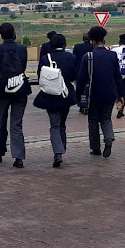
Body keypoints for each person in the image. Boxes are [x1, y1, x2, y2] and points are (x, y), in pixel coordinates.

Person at [76, 26, 124, 158]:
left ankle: (95, 147)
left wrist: (78, 95)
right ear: (104, 39)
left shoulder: (88, 57)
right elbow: (117, 77)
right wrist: (120, 95)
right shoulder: (112, 55)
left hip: (93, 94)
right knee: (106, 118)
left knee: (93, 120)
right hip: (110, 94)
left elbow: (81, 79)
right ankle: (108, 137)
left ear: (92, 41)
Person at [0, 22, 32, 168]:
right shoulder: (22, 49)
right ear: (14, 33)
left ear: (1, 35)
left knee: (1, 121)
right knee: (16, 123)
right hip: (20, 88)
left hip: (2, 89)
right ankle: (19, 156)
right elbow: (23, 66)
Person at [33, 33, 77, 167]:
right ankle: (62, 148)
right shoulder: (71, 57)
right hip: (65, 94)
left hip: (50, 95)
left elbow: (40, 75)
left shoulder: (45, 58)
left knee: (54, 125)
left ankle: (57, 152)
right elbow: (73, 76)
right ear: (64, 45)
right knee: (62, 124)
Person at [72, 33, 93, 114]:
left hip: (78, 71)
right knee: (89, 89)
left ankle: (81, 104)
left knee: (79, 88)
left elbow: (74, 59)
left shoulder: (77, 47)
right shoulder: (92, 47)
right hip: (89, 71)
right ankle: (87, 104)